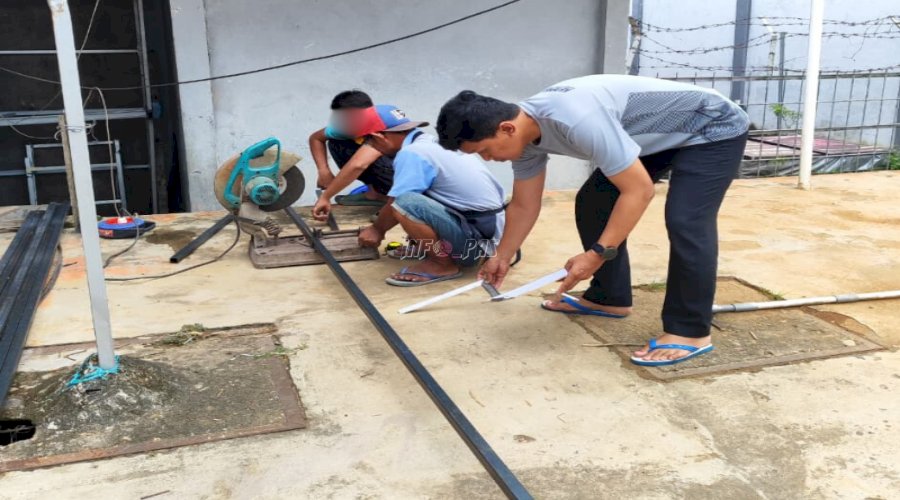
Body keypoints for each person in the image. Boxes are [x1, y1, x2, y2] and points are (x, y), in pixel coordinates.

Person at [435, 74, 749, 366]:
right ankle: (609, 298)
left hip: (712, 126)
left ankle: (690, 330)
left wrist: (597, 253)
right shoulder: (525, 139)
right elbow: (523, 205)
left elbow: (638, 192)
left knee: (686, 220)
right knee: (594, 201)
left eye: (484, 151)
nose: (487, 159)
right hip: (657, 137)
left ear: (506, 128)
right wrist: (501, 256)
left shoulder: (577, 118)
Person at [354, 105, 506, 286]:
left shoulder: (411, 153)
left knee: (405, 203)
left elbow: (397, 201)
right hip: (492, 235)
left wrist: (377, 230)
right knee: (416, 196)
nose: (368, 146)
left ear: (378, 136)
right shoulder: (432, 143)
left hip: (476, 243)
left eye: (365, 141)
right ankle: (435, 249)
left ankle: (442, 263)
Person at [309, 90, 394, 220]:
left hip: (410, 176)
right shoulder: (345, 127)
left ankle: (396, 204)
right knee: (337, 142)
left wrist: (326, 197)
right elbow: (316, 138)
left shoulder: (384, 124)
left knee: (375, 160)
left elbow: (358, 165)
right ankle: (375, 194)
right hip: (382, 162)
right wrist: (323, 171)